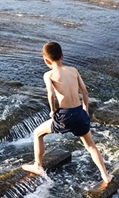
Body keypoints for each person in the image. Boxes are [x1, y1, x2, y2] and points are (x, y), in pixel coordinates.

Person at [22, 42, 112, 183]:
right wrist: (85, 111)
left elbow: (51, 94)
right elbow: (85, 91)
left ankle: (38, 166)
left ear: (46, 61)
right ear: (63, 56)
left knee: (37, 133)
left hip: (65, 115)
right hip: (79, 113)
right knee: (90, 146)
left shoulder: (49, 74)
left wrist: (52, 110)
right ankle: (105, 175)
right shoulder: (74, 70)